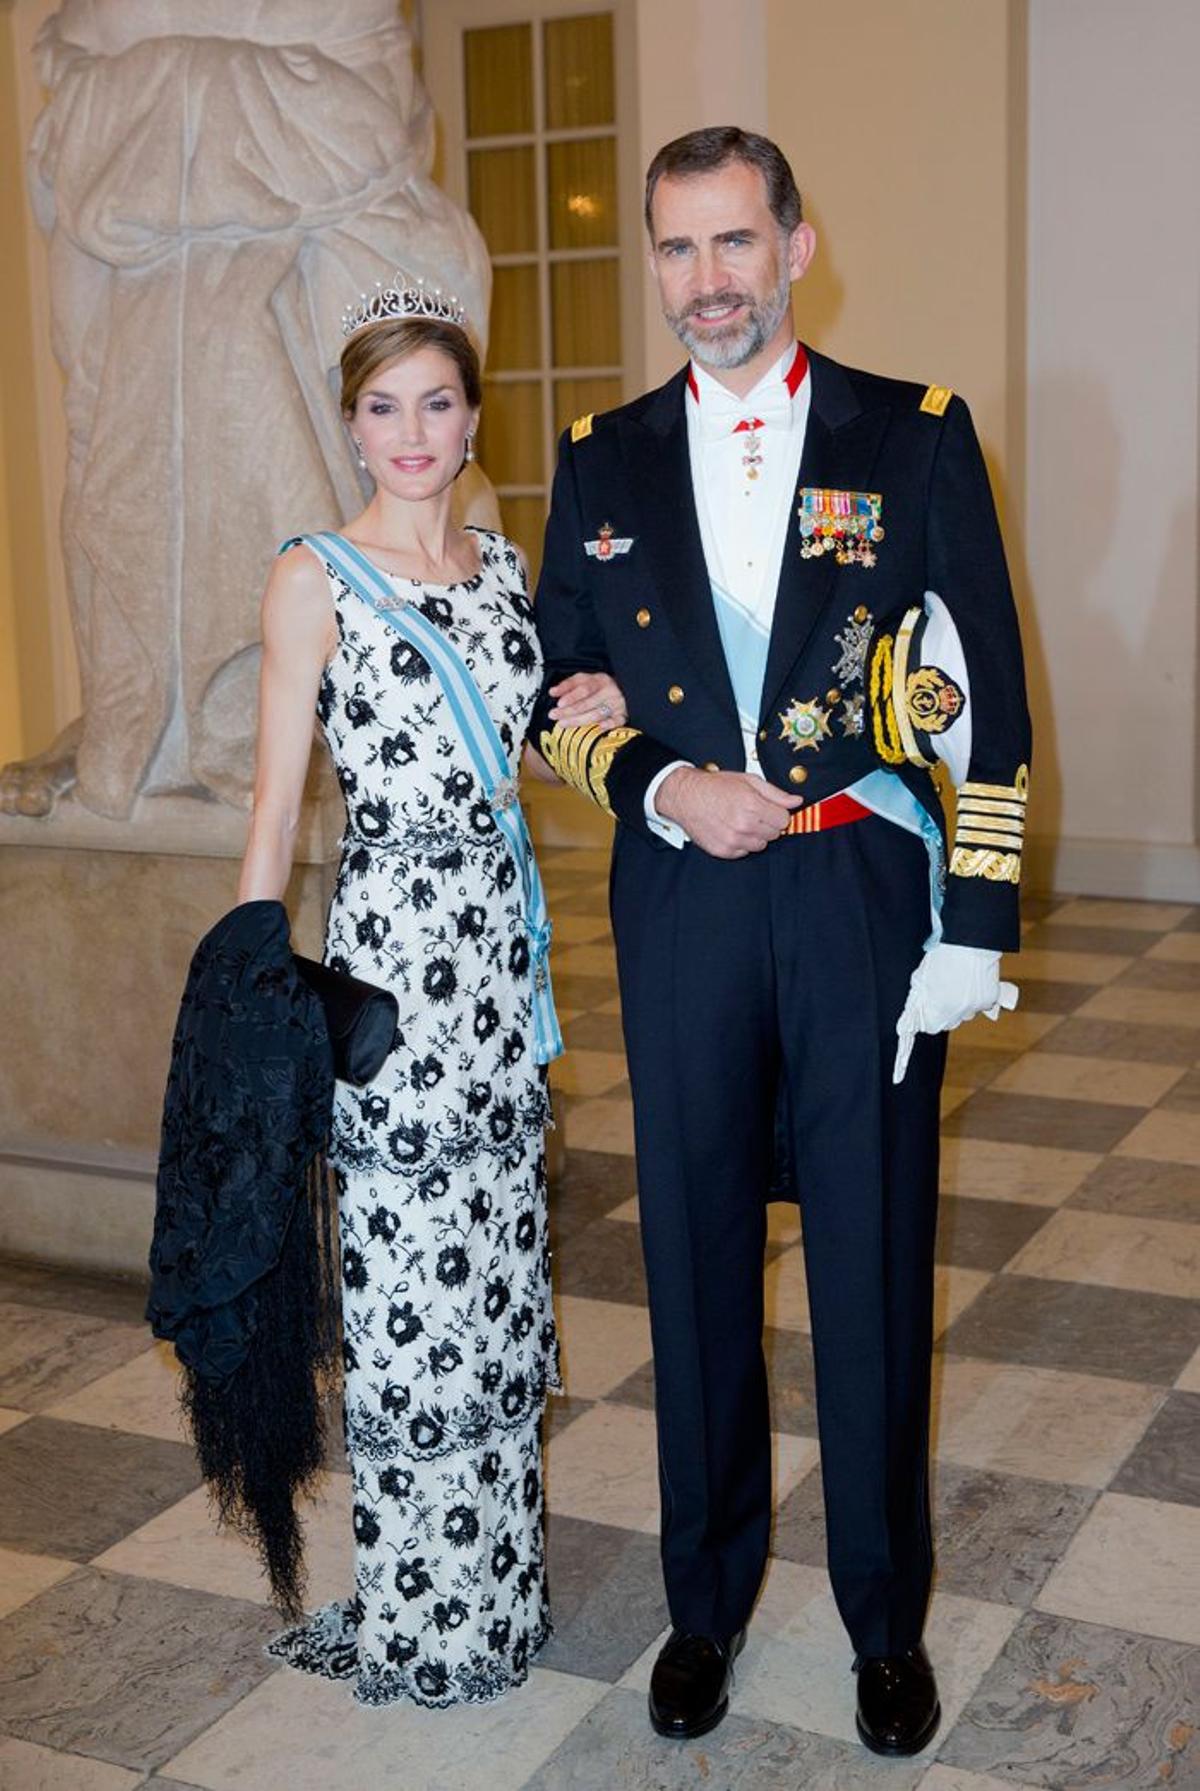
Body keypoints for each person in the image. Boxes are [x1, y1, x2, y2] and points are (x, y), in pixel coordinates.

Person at [531, 127, 1031, 1756]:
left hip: (855, 903)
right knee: (688, 1262)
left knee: (874, 1260)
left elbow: (990, 703)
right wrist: (665, 781)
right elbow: (558, 695)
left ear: (796, 247)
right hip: (683, 901)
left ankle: (884, 1624)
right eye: (676, 252)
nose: (707, 284)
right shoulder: (599, 458)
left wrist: (975, 918)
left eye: (735, 245)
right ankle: (706, 1604)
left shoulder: (915, 435)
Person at [235, 280, 624, 1708]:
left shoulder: (508, 568)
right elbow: (277, 811)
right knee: (410, 1292)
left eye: (437, 403)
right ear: (352, 424)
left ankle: (499, 1598)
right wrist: (244, 988)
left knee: (500, 1277)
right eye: (384, 406)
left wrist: (587, 710)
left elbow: (518, 746)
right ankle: (423, 1615)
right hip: (392, 965)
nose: (412, 432)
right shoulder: (312, 576)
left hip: (501, 965)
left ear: (472, 419)